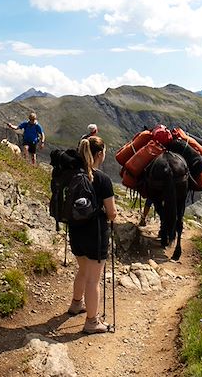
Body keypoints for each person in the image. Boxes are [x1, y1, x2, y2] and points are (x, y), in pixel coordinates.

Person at [68, 136, 117, 334]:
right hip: (95, 233)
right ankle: (92, 322)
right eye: (104, 152)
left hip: (75, 230)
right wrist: (113, 214)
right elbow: (111, 212)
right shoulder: (102, 179)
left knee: (83, 270)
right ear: (99, 154)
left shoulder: (73, 174)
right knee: (93, 279)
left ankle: (76, 304)